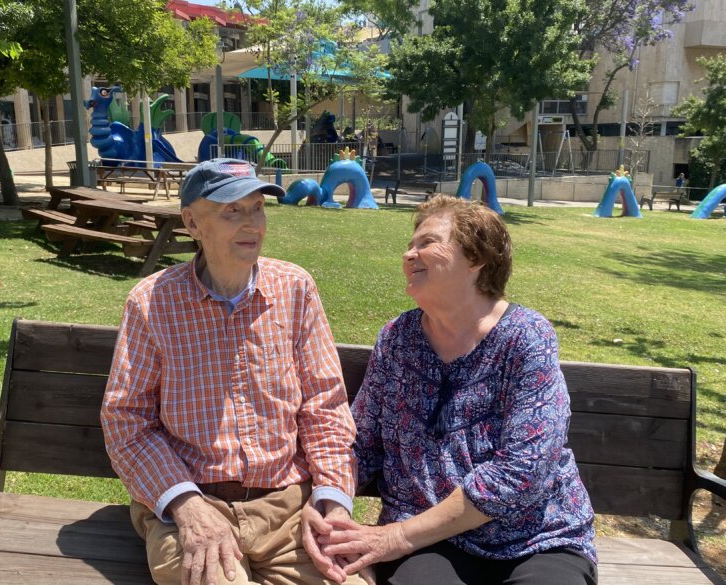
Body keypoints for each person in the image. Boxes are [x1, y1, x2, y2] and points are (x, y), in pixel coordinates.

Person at [101, 158, 367, 585]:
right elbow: (127, 421)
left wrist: (333, 497)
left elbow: (325, 406)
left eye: (257, 208)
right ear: (192, 222)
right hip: (192, 504)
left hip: (288, 508)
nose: (252, 224)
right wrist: (185, 504)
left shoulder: (295, 289)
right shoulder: (152, 303)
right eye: (232, 210)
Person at [317, 195, 597, 585]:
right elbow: (361, 442)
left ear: (476, 257)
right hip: (425, 542)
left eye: (427, 243)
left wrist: (398, 536)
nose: (409, 253)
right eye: (410, 244)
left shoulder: (526, 337)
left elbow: (522, 471)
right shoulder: (398, 339)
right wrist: (333, 507)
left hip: (535, 537)